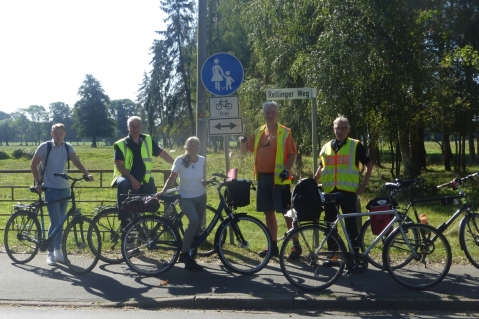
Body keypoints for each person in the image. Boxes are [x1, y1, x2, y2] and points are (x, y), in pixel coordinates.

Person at [239, 101, 299, 258]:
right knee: (268, 213)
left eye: (273, 112)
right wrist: (241, 141)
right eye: (267, 112)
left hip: (280, 179)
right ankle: (272, 247)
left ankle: (296, 246)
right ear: (263, 114)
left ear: (277, 114)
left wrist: (286, 169)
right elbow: (246, 150)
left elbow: (293, 153)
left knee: (287, 213)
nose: (270, 115)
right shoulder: (258, 132)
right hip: (263, 178)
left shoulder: (285, 132)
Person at [30, 123, 94, 266]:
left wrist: (86, 174)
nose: (58, 136)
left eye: (61, 133)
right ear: (52, 134)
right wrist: (38, 183)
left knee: (60, 222)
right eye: (56, 133)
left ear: (65, 134)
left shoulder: (67, 147)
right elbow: (33, 165)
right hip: (50, 188)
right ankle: (50, 253)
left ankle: (57, 251)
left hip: (64, 188)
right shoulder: (45, 147)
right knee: (56, 221)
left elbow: (76, 160)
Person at [314, 115, 373, 266]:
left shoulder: (355, 145)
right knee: (330, 225)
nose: (339, 131)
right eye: (337, 128)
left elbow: (369, 165)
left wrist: (363, 185)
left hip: (348, 192)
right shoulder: (326, 146)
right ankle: (333, 257)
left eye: (343, 128)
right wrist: (313, 184)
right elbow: (322, 167)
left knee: (351, 226)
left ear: (348, 130)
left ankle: (354, 256)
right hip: (330, 192)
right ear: (333, 129)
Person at [111, 116, 174, 230]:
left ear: (141, 127)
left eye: (137, 126)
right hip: (124, 176)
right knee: (124, 184)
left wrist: (176, 164)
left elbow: (162, 154)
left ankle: (142, 222)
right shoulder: (121, 144)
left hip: (143, 177)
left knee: (150, 198)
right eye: (132, 126)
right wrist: (132, 179)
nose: (135, 129)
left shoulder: (147, 140)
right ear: (128, 128)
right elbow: (119, 165)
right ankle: (124, 217)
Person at [157, 137, 207, 271]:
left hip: (201, 196)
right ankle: (184, 253)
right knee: (194, 220)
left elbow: (201, 176)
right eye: (190, 145)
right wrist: (163, 192)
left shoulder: (202, 160)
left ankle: (191, 256)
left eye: (195, 145)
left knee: (197, 227)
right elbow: (171, 178)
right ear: (186, 147)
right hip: (186, 198)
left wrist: (204, 181)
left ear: (199, 147)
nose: (193, 148)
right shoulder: (179, 160)